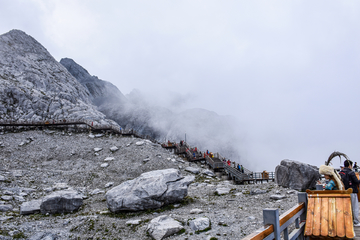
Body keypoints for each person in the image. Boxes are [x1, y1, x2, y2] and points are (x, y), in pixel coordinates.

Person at [340, 160, 360, 226]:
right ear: (350, 165)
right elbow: (357, 182)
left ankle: (347, 221)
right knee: (355, 208)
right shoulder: (351, 173)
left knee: (346, 207)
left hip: (344, 193)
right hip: (352, 192)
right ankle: (356, 222)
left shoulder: (341, 173)